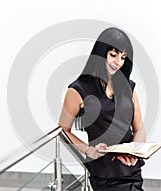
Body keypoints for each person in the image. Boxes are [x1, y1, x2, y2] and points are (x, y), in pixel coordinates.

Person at [59, 27, 146, 191]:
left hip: (131, 171)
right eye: (113, 55)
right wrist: (88, 150)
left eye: (123, 57)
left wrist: (135, 150)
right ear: (100, 53)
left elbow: (139, 128)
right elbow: (63, 130)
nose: (118, 62)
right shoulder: (78, 90)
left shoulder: (129, 87)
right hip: (104, 173)